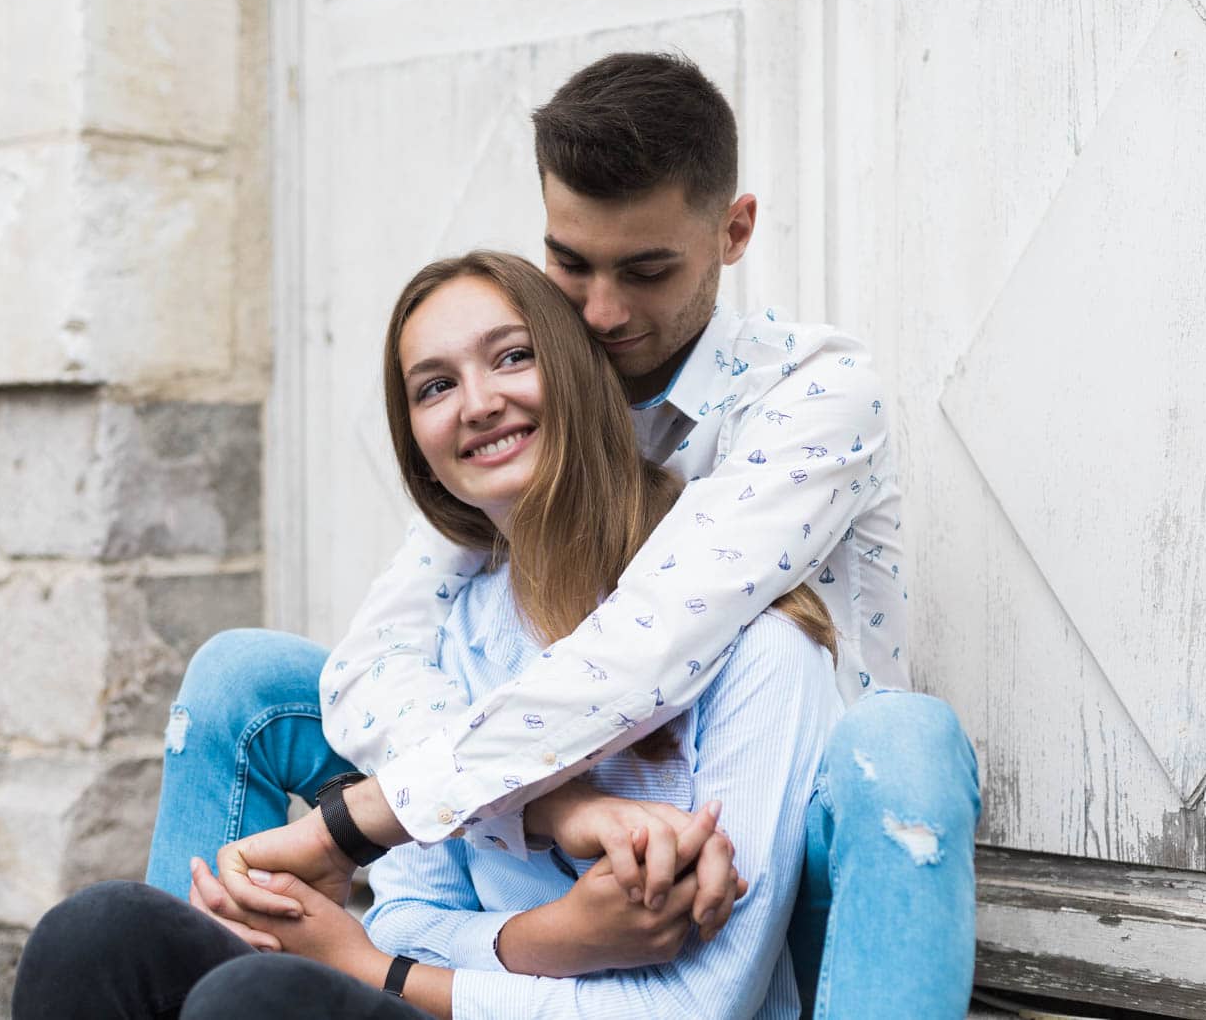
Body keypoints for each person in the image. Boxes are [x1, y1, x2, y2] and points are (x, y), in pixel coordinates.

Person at [139, 52, 981, 1017]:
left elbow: (648, 646)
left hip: (797, 825)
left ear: (733, 230)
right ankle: (177, 980)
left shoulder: (815, 396)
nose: (602, 311)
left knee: (908, 739)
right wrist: (546, 811)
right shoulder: (543, 386)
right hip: (574, 822)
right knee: (244, 680)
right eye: (571, 264)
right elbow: (384, 647)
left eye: (647, 269)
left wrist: (354, 827)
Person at [13, 251, 847, 1018]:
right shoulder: (448, 638)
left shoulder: (763, 649)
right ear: (418, 441)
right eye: (434, 386)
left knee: (256, 999)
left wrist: (378, 968)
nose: (479, 403)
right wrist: (550, 936)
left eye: (512, 356)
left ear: (579, 370)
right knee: (95, 931)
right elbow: (408, 914)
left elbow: (697, 1006)